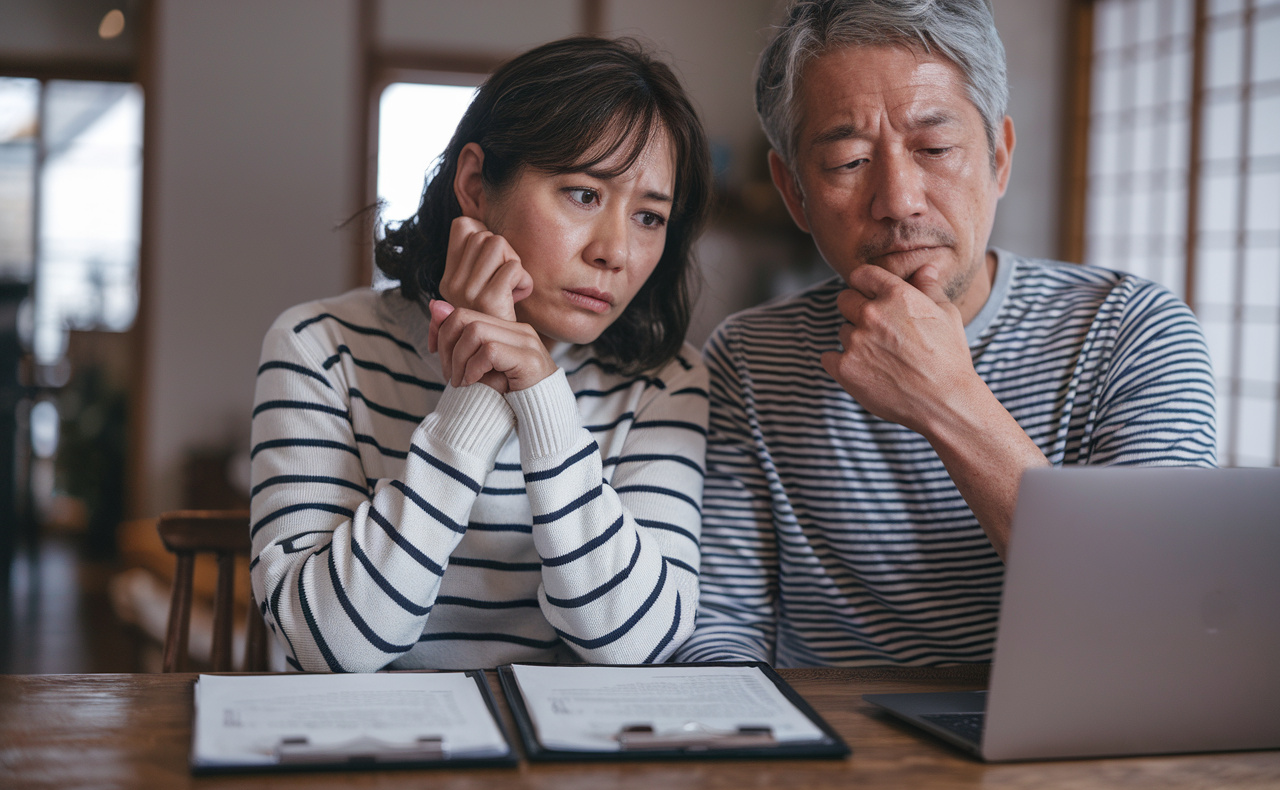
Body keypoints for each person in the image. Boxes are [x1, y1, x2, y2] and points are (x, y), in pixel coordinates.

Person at [675, 0, 1216, 667]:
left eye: (935, 148)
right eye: (847, 161)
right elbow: (723, 629)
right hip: (831, 757)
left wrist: (946, 398)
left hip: (1072, 751)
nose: (898, 199)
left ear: (998, 157)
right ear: (794, 194)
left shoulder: (1133, 332)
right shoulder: (750, 357)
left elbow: (1161, 622)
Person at [250, 37, 711, 672]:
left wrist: (541, 395)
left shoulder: (666, 381)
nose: (617, 252)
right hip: (363, 756)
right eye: (584, 194)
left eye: (650, 218)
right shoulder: (319, 348)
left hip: (562, 761)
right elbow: (328, 647)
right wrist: (477, 399)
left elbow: (636, 644)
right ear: (475, 184)